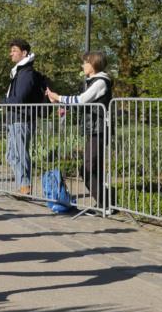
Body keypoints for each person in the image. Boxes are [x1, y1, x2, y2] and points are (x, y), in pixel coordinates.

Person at [46, 51, 113, 209]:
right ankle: (106, 203)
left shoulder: (101, 82)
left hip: (99, 129)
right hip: (95, 129)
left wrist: (58, 97)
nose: (82, 65)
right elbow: (82, 104)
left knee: (88, 168)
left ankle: (106, 204)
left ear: (94, 64)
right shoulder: (94, 81)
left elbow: (81, 100)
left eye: (85, 62)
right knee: (90, 168)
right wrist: (58, 101)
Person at [0, 39, 46, 195]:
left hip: (22, 119)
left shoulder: (26, 74)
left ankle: (25, 186)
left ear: (24, 53)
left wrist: (1, 102)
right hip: (15, 119)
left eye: (14, 50)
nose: (11, 53)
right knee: (11, 155)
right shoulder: (19, 72)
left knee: (20, 153)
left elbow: (20, 99)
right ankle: (23, 185)